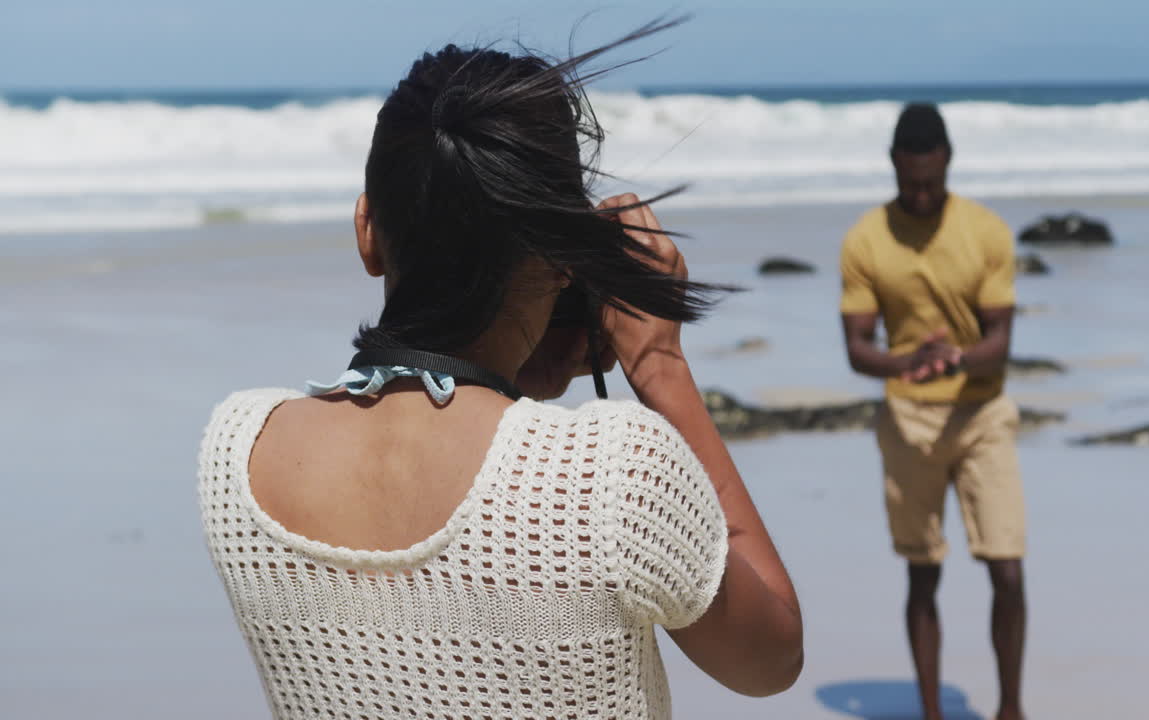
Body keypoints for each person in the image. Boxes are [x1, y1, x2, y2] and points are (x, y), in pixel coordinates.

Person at [198, 21, 802, 720]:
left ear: (367, 232)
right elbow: (772, 657)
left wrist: (521, 373)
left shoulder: (238, 450)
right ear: (561, 257)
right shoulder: (612, 470)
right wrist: (658, 365)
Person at [839, 103, 1026, 720]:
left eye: (931, 183)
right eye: (910, 183)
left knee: (1007, 571)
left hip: (982, 414)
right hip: (909, 421)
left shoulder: (986, 231)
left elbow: (1001, 340)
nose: (921, 195)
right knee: (923, 577)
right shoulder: (867, 239)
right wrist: (906, 363)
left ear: (948, 163)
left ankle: (1010, 709)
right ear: (895, 165)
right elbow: (859, 350)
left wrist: (959, 361)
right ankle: (931, 712)